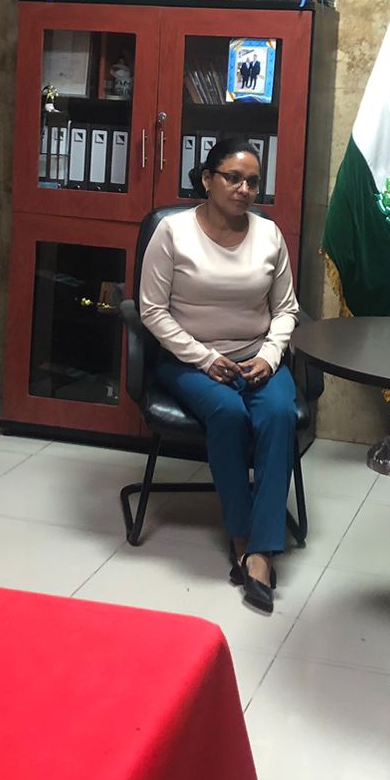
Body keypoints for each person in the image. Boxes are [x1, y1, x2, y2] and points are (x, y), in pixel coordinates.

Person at [137, 136, 299, 614]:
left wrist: (269, 355)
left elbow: (286, 309)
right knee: (227, 413)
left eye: (253, 181)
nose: (244, 189)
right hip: (190, 360)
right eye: (233, 177)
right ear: (207, 179)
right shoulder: (173, 233)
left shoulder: (269, 235)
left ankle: (260, 554)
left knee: (278, 415)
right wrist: (205, 359)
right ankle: (241, 534)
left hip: (256, 357)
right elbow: (151, 310)